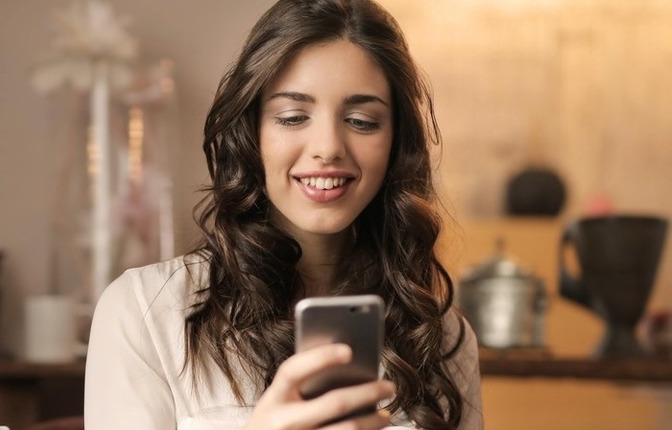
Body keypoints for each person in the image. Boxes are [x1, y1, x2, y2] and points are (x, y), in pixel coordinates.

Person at [84, 0, 483, 429]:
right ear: (251, 133)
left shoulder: (439, 336)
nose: (328, 147)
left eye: (362, 120)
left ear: (395, 143)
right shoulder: (145, 312)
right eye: (293, 117)